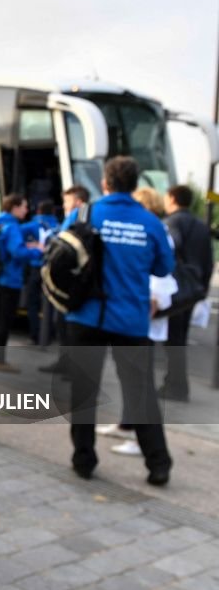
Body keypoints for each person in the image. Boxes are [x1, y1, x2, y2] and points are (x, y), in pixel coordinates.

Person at [63, 157, 174, 486]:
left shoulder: (84, 213)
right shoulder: (151, 223)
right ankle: (158, 464)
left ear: (105, 184)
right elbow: (164, 268)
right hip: (130, 319)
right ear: (134, 185)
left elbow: (60, 253)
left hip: (85, 315)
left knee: (84, 390)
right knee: (140, 394)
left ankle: (84, 459)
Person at [101, 187, 177, 458]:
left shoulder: (154, 230)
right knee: (129, 377)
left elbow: (161, 277)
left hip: (143, 315)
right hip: (137, 314)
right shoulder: (154, 228)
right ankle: (126, 424)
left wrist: (149, 308)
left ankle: (139, 439)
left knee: (139, 380)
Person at [159, 184, 213, 402]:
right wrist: (202, 289)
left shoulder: (172, 222)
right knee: (179, 339)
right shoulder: (201, 226)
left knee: (173, 340)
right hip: (193, 290)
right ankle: (176, 383)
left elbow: (168, 252)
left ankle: (176, 386)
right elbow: (208, 262)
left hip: (175, 290)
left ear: (172, 198)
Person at [0, 194, 43, 371]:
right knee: (5, 320)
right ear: (15, 207)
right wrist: (38, 251)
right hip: (10, 279)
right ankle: (0, 361)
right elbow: (18, 253)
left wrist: (26, 246)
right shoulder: (12, 227)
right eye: (24, 206)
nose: (26, 210)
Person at [40, 185, 89, 375]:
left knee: (65, 323)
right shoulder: (83, 215)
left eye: (67, 201)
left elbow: (64, 243)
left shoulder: (79, 215)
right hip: (73, 277)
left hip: (69, 279)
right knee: (63, 324)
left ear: (78, 201)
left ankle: (68, 365)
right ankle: (66, 363)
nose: (64, 205)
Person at [21, 199, 59, 344]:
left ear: (38, 211)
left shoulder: (31, 225)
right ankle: (48, 334)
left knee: (33, 302)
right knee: (49, 302)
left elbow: (16, 239)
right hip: (52, 268)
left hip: (35, 268)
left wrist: (31, 245)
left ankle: (34, 334)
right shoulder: (59, 226)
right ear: (54, 212)